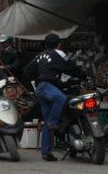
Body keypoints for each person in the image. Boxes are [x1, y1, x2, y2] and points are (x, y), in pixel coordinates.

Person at [32, 33, 87, 162]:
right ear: (59, 44)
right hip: (48, 86)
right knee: (61, 99)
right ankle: (54, 124)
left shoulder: (39, 56)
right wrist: (84, 76)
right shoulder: (59, 53)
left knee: (47, 121)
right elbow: (71, 68)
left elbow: (28, 70)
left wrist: (37, 79)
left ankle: (46, 152)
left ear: (46, 44)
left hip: (40, 88)